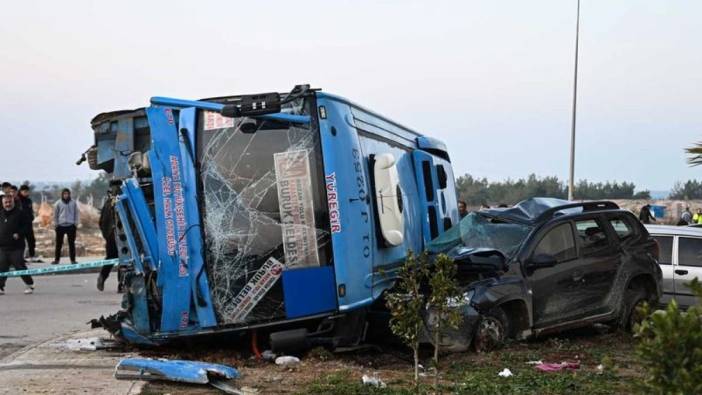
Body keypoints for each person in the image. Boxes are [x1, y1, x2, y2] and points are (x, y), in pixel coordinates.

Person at [0, 191, 35, 295]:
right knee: (2, 265)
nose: (8, 204)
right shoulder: (0, 214)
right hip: (2, 246)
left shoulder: (20, 213)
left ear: (13, 202)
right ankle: (0, 287)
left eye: (9, 202)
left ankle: (30, 284)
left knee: (19, 264)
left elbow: (27, 227)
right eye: (6, 202)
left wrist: (19, 234)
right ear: (2, 203)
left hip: (16, 246)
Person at [97, 188, 120, 292]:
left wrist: (106, 235)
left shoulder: (107, 203)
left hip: (110, 236)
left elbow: (101, 222)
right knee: (125, 261)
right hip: (121, 235)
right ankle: (122, 284)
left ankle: (102, 276)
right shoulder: (121, 201)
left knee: (110, 258)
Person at [52, 188, 79, 264]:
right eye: (64, 194)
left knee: (71, 244)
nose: (66, 195)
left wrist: (75, 223)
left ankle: (73, 260)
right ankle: (56, 260)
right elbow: (55, 215)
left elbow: (76, 213)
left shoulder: (73, 203)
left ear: (69, 194)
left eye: (67, 194)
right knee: (58, 244)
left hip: (71, 226)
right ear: (62, 194)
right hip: (60, 226)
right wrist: (56, 224)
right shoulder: (58, 203)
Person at [17, 185, 38, 261]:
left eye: (27, 191)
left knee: (31, 240)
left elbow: (30, 211)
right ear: (21, 191)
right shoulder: (17, 200)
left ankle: (32, 256)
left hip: (28, 224)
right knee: (21, 242)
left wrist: (32, 217)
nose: (26, 193)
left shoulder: (29, 200)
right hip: (21, 225)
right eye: (24, 191)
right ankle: (21, 257)